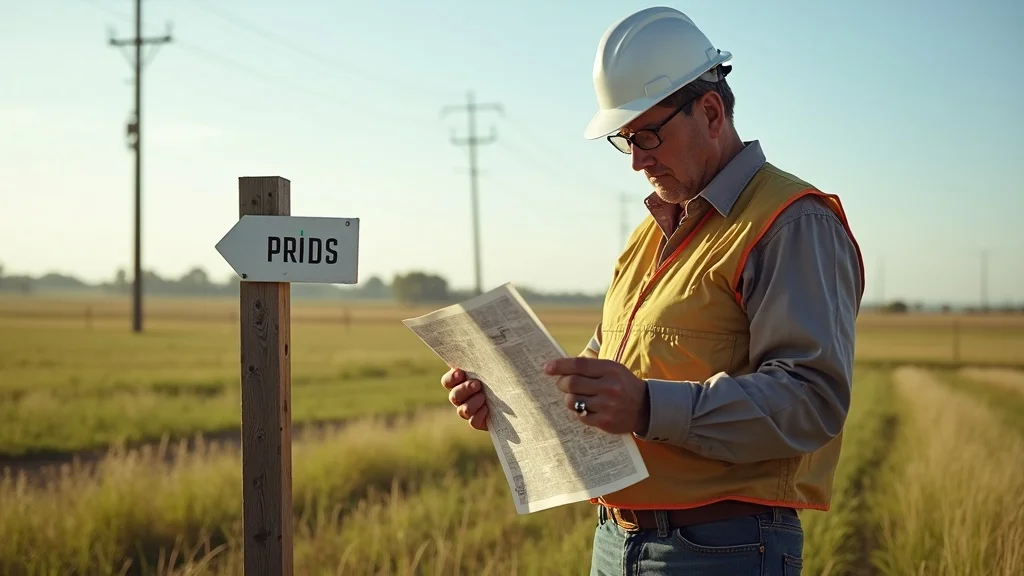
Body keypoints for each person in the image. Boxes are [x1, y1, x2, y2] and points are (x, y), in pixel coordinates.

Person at [441, 6, 865, 575]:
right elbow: (604, 372)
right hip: (617, 544)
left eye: (647, 135)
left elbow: (812, 400)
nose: (637, 161)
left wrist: (646, 406)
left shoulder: (791, 222)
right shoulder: (650, 235)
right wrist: (509, 398)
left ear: (711, 112)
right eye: (625, 140)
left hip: (725, 548)